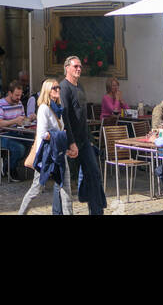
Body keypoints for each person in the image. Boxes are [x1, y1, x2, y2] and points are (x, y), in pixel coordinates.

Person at [60, 55, 107, 215]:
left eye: (80, 66)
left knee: (94, 173)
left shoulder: (80, 87)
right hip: (70, 141)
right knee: (64, 179)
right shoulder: (64, 88)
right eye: (75, 66)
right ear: (67, 68)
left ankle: (96, 211)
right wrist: (71, 142)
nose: (79, 69)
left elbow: (83, 116)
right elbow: (65, 117)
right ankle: (59, 211)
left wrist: (90, 140)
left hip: (84, 140)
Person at [18, 77, 72, 215]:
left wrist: (61, 136)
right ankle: (21, 213)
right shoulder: (43, 108)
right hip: (47, 154)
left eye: (58, 87)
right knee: (37, 189)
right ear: (47, 91)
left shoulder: (59, 109)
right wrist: (59, 135)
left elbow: (57, 131)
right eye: (55, 88)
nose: (58, 90)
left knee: (66, 189)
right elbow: (43, 134)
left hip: (59, 153)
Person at [0, 79, 32, 180]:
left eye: (20, 95)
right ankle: (10, 168)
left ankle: (7, 164)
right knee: (20, 148)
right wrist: (15, 121)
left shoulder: (19, 104)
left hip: (14, 133)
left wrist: (30, 118)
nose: (19, 98)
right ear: (10, 93)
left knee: (32, 142)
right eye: (16, 95)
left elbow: (22, 120)